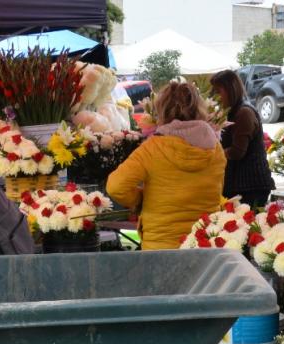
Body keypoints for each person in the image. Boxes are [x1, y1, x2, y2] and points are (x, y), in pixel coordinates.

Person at [106, 82, 226, 250]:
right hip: (203, 242)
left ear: (162, 109)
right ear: (199, 109)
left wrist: (139, 200)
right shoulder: (216, 149)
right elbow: (218, 190)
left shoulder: (152, 148)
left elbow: (115, 186)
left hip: (160, 246)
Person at [209, 70, 275, 207]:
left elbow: (237, 151)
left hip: (250, 185)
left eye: (218, 91)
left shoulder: (244, 113)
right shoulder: (232, 111)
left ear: (231, 90)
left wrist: (213, 154)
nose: (215, 97)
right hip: (240, 184)